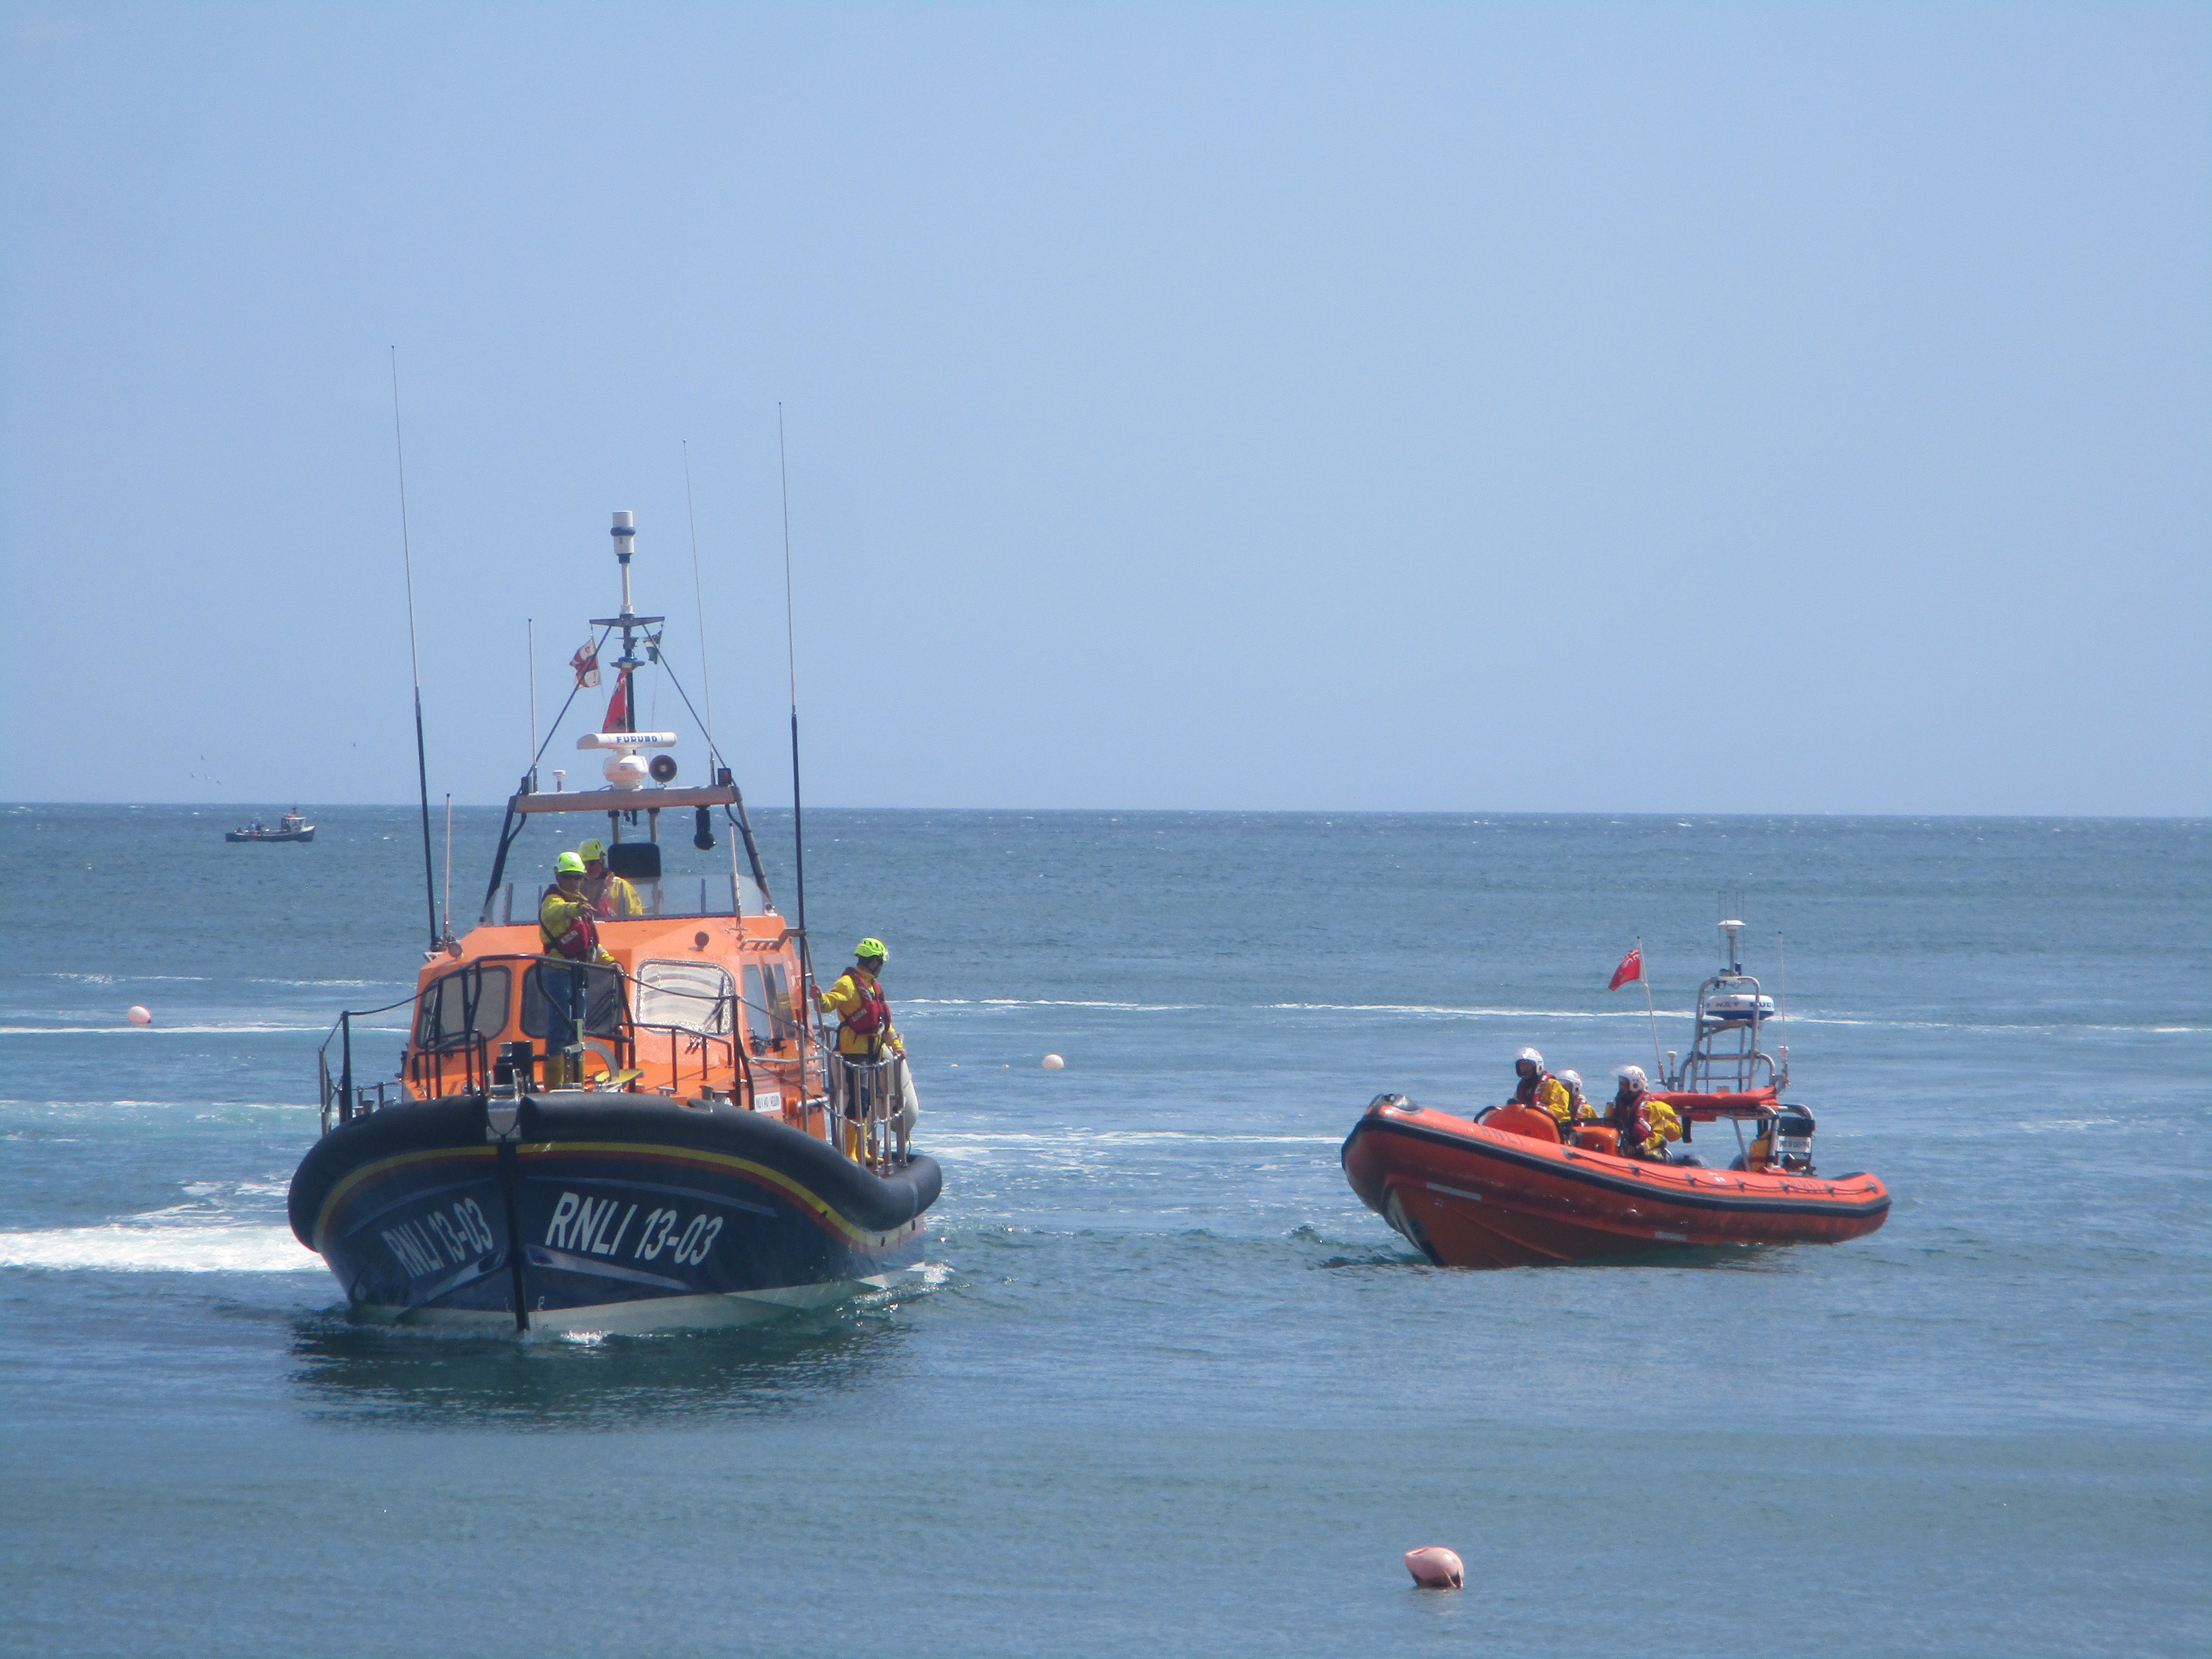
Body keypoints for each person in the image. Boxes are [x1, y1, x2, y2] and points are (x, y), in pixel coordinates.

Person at [816, 939, 906, 1154]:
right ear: (874, 962)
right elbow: (828, 1005)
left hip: (872, 1051)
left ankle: (862, 1150)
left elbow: (885, 1024)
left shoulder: (873, 986)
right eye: (881, 962)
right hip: (855, 1051)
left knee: (866, 1101)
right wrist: (818, 997)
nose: (882, 967)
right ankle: (850, 1153)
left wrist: (896, 1046)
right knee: (860, 1100)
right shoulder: (847, 983)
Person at [540, 852, 615, 966]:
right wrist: (577, 908)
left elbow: (592, 942)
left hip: (580, 971)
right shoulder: (552, 900)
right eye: (568, 877)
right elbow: (556, 910)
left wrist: (610, 962)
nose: (573, 882)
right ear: (558, 877)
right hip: (557, 971)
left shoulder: (581, 902)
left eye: (578, 877)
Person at [1608, 1065, 1684, 1159]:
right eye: (1620, 1084)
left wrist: (1638, 1149)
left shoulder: (1651, 1108)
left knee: (1653, 1157)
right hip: (1623, 1151)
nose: (1621, 1087)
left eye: (1624, 1084)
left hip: (1645, 1152)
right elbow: (1608, 1124)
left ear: (1635, 1085)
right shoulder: (1616, 1106)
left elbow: (1657, 1134)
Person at [577, 838, 642, 919]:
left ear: (602, 862)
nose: (587, 868)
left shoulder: (621, 887)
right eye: (583, 864)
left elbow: (635, 916)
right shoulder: (576, 888)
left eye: (591, 863)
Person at [1509, 1047, 1574, 1127]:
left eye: (1528, 1066)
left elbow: (1560, 1107)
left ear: (1537, 1066)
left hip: (1555, 1126)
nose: (1524, 1069)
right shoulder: (1522, 1087)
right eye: (1522, 1065)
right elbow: (1516, 1105)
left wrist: (1539, 1115)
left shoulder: (1552, 1084)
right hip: (1530, 1126)